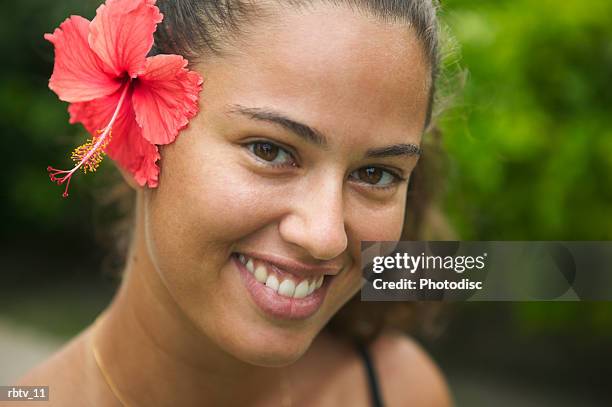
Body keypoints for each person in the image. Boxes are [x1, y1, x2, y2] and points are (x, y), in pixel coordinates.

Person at [15, 0, 452, 405]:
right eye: (270, 151)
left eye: (375, 175)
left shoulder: (402, 391)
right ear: (135, 132)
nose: (324, 236)